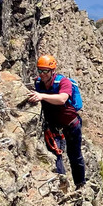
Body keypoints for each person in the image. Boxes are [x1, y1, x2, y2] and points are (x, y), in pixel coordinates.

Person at [28, 55, 86, 188]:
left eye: (45, 71)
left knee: (74, 156)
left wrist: (42, 96)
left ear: (52, 71)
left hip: (71, 125)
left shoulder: (63, 82)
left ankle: (80, 184)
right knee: (56, 154)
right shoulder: (38, 83)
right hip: (54, 127)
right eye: (40, 71)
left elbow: (62, 99)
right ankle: (62, 183)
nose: (42, 74)